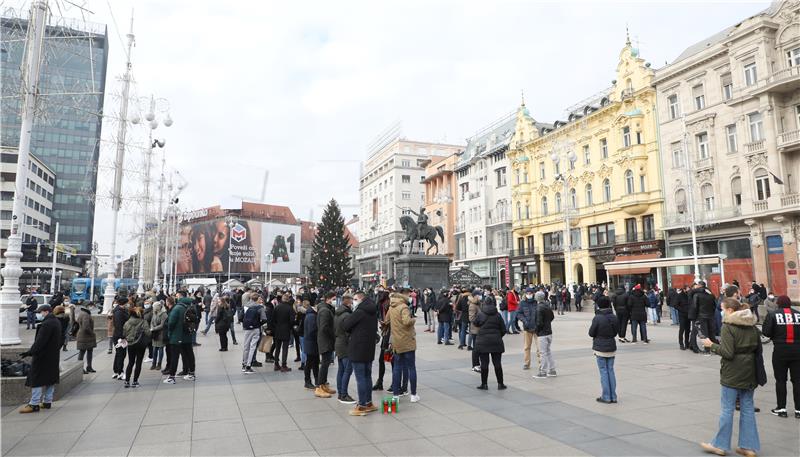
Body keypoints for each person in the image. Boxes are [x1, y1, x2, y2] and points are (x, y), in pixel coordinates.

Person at [701, 298, 760, 457]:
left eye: (722, 309)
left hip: (732, 372)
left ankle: (719, 445)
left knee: (727, 408)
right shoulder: (752, 326)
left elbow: (728, 352)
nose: (721, 312)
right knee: (747, 409)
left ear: (730, 311)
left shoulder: (728, 327)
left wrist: (711, 345)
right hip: (749, 371)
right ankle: (748, 447)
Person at [761, 295, 800, 419]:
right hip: (797, 350)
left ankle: (781, 408)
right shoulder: (798, 314)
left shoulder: (773, 314)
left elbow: (766, 332)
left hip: (780, 350)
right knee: (798, 381)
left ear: (778, 303)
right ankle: (798, 410)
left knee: (781, 380)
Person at [19, 304, 61, 413]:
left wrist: (30, 352)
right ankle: (47, 402)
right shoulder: (56, 322)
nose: (39, 314)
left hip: (43, 356)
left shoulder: (47, 324)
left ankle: (34, 404)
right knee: (50, 379)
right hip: (53, 356)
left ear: (46, 312)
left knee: (36, 379)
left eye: (40, 312)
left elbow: (40, 341)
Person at [343, 292, 379, 416]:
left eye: (355, 299)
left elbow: (346, 325)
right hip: (369, 348)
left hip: (358, 347)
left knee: (360, 378)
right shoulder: (373, 310)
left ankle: (362, 405)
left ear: (361, 299)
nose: (353, 301)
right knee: (367, 376)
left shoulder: (359, 312)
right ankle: (368, 402)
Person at [389, 288, 419, 402]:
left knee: (397, 368)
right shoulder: (404, 307)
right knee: (411, 367)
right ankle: (413, 395)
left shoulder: (392, 307)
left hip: (396, 341)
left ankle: (395, 395)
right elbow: (406, 322)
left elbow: (386, 320)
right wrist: (413, 319)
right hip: (407, 341)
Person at [589, 296, 619, 403]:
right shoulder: (614, 317)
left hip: (600, 347)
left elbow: (591, 333)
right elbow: (616, 332)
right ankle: (613, 396)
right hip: (611, 345)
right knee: (610, 370)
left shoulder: (597, 318)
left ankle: (606, 396)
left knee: (603, 371)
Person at [473, 295, 507, 390]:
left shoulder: (481, 314)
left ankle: (484, 384)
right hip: (496, 342)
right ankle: (500, 384)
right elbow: (503, 329)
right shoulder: (497, 315)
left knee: (484, 364)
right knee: (497, 363)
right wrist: (498, 336)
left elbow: (475, 323)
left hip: (483, 342)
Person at [164, 292, 196, 384]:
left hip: (176, 336)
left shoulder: (177, 308)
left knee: (174, 356)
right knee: (189, 354)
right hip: (187, 335)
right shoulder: (189, 307)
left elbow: (171, 323)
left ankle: (171, 377)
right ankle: (191, 373)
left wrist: (170, 333)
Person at [334, 293, 355, 404]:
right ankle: (343, 394)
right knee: (347, 370)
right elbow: (348, 331)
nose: (353, 303)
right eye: (352, 301)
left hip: (338, 343)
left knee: (341, 370)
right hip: (345, 345)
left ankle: (340, 393)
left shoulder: (337, 313)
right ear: (348, 301)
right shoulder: (347, 315)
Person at [122, 307, 151, 388]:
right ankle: (135, 381)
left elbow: (124, 334)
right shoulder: (143, 322)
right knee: (138, 362)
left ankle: (127, 381)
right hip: (140, 345)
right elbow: (148, 333)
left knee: (130, 362)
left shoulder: (127, 322)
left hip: (131, 344)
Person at [316, 292, 337, 398]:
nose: (335, 300)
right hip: (325, 340)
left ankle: (323, 384)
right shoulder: (325, 311)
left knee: (326, 363)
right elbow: (324, 327)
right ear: (328, 299)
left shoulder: (326, 309)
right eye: (334, 298)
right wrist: (333, 335)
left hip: (326, 340)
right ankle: (319, 387)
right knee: (324, 364)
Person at [241, 294, 267, 375]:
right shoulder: (260, 307)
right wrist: (259, 324)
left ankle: (244, 364)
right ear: (258, 299)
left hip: (246, 328)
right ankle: (248, 366)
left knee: (246, 346)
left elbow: (240, 316)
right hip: (255, 328)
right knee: (252, 347)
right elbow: (264, 319)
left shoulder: (246, 306)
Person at [533, 291, 556, 379]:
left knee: (542, 352)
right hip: (549, 332)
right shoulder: (547, 305)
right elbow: (552, 317)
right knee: (548, 351)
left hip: (542, 333)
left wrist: (537, 331)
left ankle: (543, 371)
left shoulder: (539, 308)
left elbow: (539, 322)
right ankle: (552, 370)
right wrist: (547, 323)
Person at [272, 293, 296, 371]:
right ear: (288, 299)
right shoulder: (290, 308)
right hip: (286, 330)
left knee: (277, 348)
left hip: (277, 330)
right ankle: (284, 365)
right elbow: (292, 320)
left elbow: (273, 319)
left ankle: (276, 364)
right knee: (285, 348)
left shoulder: (277, 307)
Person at [519, 287, 540, 371]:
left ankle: (541, 363)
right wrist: (524, 320)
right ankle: (526, 363)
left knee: (539, 348)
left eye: (530, 293)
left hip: (537, 328)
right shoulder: (522, 303)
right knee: (527, 347)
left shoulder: (536, 302)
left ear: (533, 294)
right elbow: (519, 313)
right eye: (527, 293)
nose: (529, 295)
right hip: (527, 328)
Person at [303, 300, 322, 393]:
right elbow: (312, 331)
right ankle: (307, 381)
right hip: (311, 343)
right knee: (310, 363)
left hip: (311, 343)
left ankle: (317, 380)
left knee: (314, 363)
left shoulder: (311, 315)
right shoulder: (311, 316)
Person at [75, 304, 96, 374]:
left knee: (88, 351)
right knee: (83, 352)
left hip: (84, 336)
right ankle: (81, 368)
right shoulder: (86, 315)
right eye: (91, 305)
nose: (92, 307)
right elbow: (86, 327)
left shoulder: (82, 313)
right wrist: (92, 333)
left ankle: (88, 367)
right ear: (87, 306)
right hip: (85, 336)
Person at [112, 297, 129, 380]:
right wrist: (122, 337)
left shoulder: (119, 311)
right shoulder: (119, 312)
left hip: (118, 335)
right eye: (127, 303)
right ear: (124, 303)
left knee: (119, 354)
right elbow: (119, 326)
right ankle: (120, 372)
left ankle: (116, 371)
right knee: (121, 354)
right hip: (120, 336)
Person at [150, 301, 167, 370]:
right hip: (155, 334)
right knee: (154, 349)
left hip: (161, 334)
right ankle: (153, 363)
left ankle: (159, 364)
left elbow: (162, 325)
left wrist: (154, 328)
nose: (153, 308)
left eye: (154, 307)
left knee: (160, 349)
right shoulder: (154, 313)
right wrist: (152, 327)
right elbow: (151, 322)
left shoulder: (163, 314)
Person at [468, 289, 482, 372]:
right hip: (475, 330)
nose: (481, 296)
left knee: (479, 348)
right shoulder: (473, 305)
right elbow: (471, 318)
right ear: (476, 296)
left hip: (480, 329)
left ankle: (478, 364)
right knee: (476, 348)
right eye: (479, 295)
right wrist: (481, 321)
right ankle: (475, 365)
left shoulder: (479, 304)